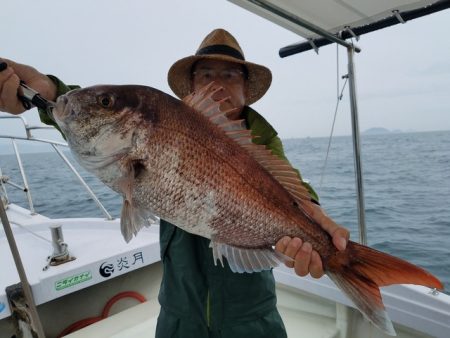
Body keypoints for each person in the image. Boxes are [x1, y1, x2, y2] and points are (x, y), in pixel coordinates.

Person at [0, 28, 349, 337]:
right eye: (207, 74)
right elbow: (94, 114)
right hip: (179, 315)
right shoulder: (166, 125)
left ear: (246, 89)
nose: (218, 83)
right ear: (192, 86)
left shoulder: (261, 141)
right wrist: (46, 90)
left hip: (252, 316)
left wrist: (313, 218)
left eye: (230, 75)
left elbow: (293, 188)